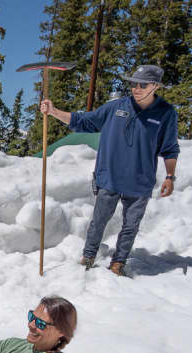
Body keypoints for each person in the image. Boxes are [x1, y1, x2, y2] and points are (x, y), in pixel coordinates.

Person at [40, 64, 180, 276]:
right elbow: (84, 121)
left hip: (140, 180)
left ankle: (118, 263)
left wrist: (170, 176)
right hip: (110, 176)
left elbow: (169, 149)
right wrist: (53, 111)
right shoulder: (116, 107)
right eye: (133, 83)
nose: (136, 88)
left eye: (142, 84)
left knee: (131, 226)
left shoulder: (166, 113)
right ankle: (88, 256)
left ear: (155, 86)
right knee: (99, 221)